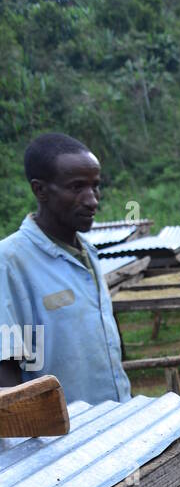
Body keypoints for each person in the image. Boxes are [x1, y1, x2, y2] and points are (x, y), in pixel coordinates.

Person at [0, 133, 130, 404]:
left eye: (95, 186)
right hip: (56, 440)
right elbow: (6, 367)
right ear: (40, 190)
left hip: (114, 426)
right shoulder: (10, 263)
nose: (92, 200)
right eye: (77, 187)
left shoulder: (88, 253)